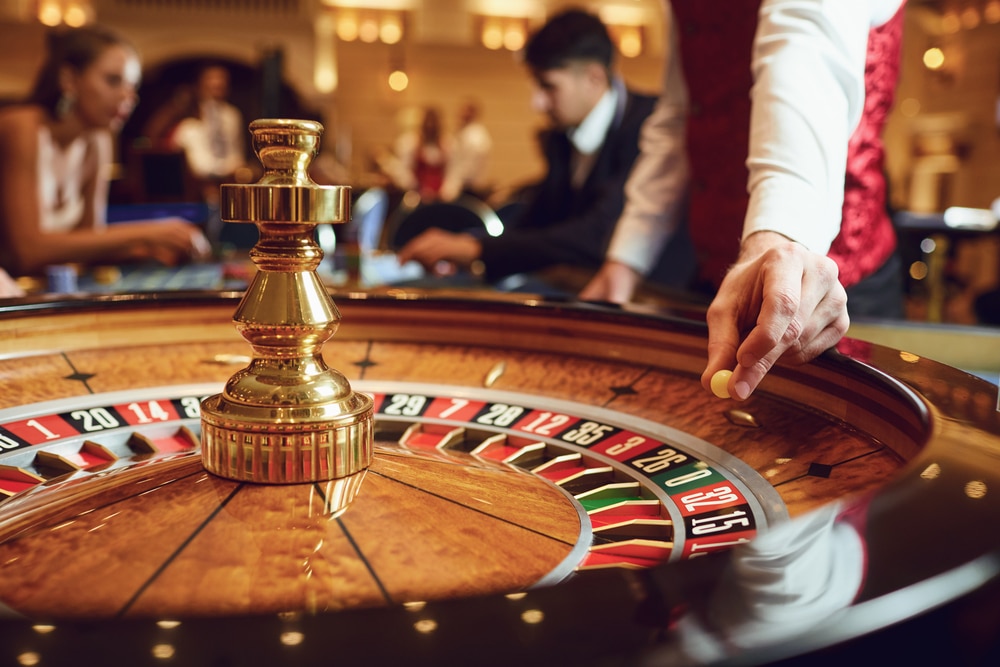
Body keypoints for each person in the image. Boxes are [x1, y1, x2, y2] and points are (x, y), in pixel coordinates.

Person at [579, 0, 908, 401]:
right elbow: (684, 111)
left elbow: (804, 56)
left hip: (836, 282)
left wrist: (777, 241)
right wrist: (626, 260)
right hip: (724, 276)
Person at [397, 8, 657, 288]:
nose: (537, 103)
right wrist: (468, 245)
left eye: (548, 86)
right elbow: (536, 222)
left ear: (594, 78)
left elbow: (597, 235)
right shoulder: (562, 135)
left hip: (653, 296)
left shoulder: (651, 127)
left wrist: (477, 249)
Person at [0, 24, 211, 278]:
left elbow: (87, 244)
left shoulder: (98, 141)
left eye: (132, 85)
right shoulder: (21, 127)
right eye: (113, 80)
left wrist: (147, 248)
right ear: (69, 79)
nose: (128, 97)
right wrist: (148, 233)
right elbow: (27, 252)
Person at [170, 63, 247, 203]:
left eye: (221, 80)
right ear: (199, 86)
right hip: (196, 186)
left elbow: (236, 149)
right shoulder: (188, 121)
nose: (216, 84)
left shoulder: (232, 115)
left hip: (229, 179)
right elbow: (195, 165)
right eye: (211, 80)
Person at [379, 106, 450, 203]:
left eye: (433, 124)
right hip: (417, 195)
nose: (430, 126)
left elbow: (450, 172)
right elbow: (405, 171)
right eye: (428, 124)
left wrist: (445, 191)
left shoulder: (446, 144)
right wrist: (416, 188)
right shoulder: (412, 144)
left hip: (441, 197)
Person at [440, 99, 492, 202]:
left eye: (465, 112)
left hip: (467, 187)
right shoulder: (466, 133)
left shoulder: (475, 136)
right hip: (463, 185)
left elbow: (468, 166)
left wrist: (454, 186)